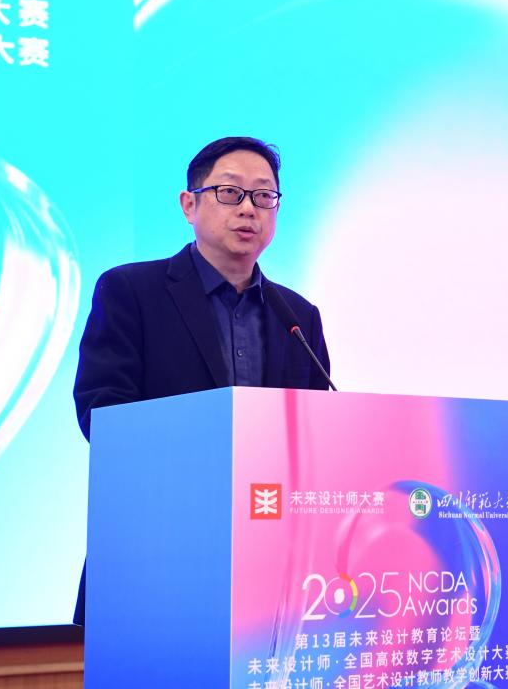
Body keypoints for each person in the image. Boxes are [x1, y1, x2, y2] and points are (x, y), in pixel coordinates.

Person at [71, 136, 332, 624]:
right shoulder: (131, 291)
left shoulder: (298, 316)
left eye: (264, 196)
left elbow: (320, 434)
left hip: (270, 566)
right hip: (156, 551)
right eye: (230, 192)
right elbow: (103, 415)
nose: (249, 209)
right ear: (189, 205)